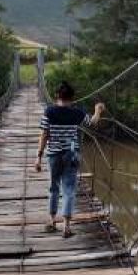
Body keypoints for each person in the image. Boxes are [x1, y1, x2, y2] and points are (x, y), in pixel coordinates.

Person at [34, 82, 106, 237]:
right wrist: (97, 110)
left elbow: (44, 135)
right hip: (71, 155)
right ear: (72, 98)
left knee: (53, 188)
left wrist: (38, 157)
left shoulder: (49, 111)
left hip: (53, 155)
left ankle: (52, 221)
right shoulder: (76, 113)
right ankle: (66, 227)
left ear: (56, 96)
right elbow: (93, 122)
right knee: (69, 190)